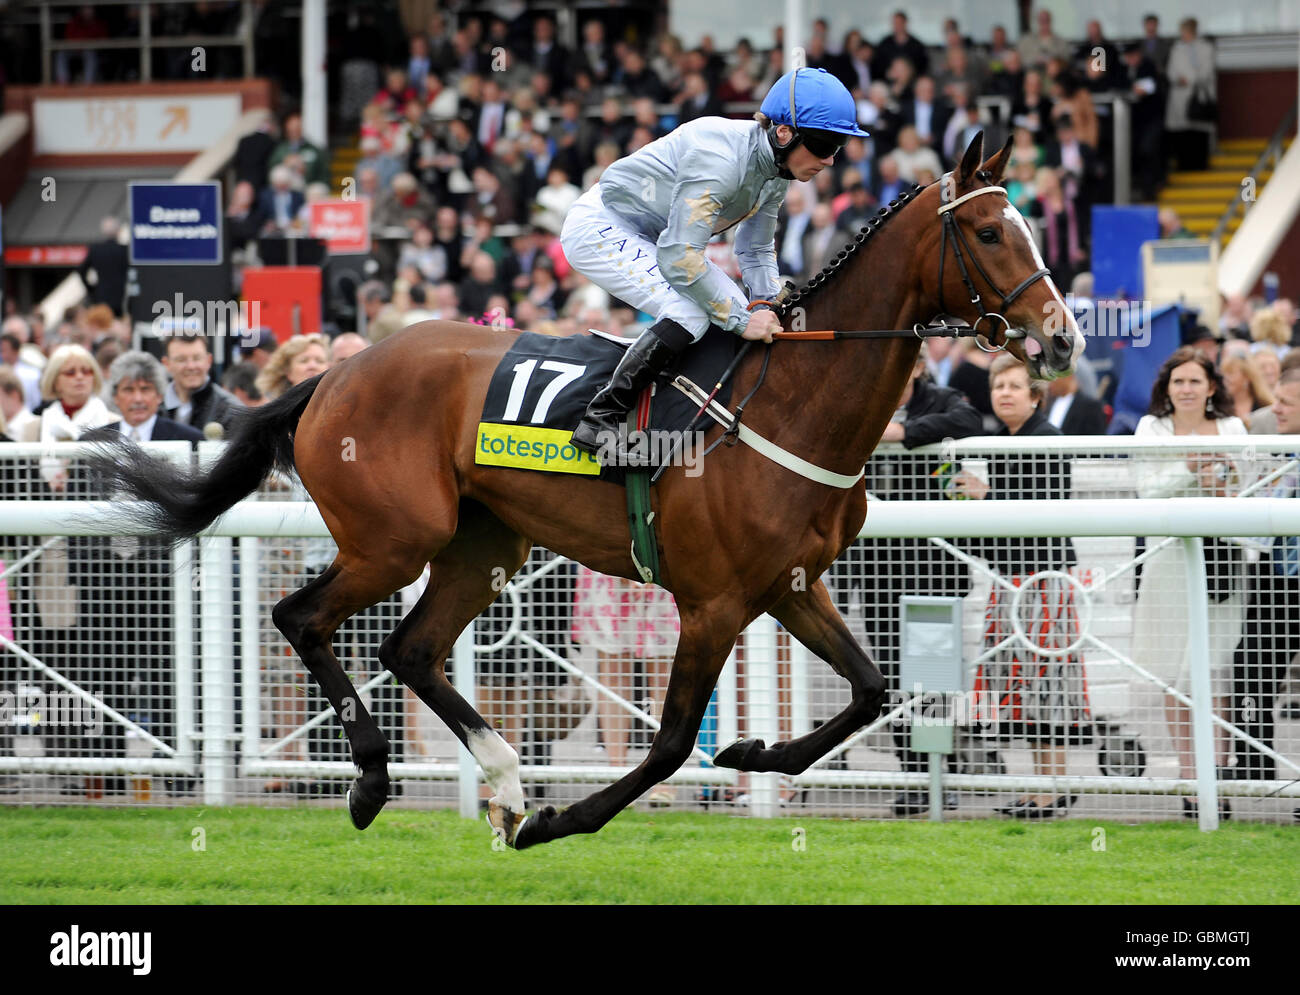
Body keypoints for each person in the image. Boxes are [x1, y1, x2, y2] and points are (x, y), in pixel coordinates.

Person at [562, 67, 867, 464]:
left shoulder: (776, 172)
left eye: (838, 147)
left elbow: (755, 250)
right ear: (784, 133)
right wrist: (743, 320)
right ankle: (599, 419)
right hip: (601, 225)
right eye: (825, 144)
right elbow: (680, 258)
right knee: (692, 310)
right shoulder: (720, 158)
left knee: (737, 310)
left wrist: (765, 304)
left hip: (658, 235)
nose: (830, 160)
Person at [823, 347, 982, 816]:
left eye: (906, 363)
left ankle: (938, 775)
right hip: (874, 568)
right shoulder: (861, 400)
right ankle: (915, 776)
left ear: (918, 367)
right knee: (889, 674)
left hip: (932, 565)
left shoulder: (945, 398)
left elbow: (970, 423)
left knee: (931, 675)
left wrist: (902, 434)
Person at [955, 355, 1090, 818]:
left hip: (1044, 581)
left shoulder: (1048, 439)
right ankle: (1040, 788)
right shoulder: (998, 441)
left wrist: (983, 497)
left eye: (1015, 386)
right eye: (999, 387)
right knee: (1023, 691)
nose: (1005, 393)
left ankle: (1051, 791)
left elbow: (1040, 509)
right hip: (1010, 580)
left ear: (1036, 395)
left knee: (1046, 688)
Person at [1131, 347, 1246, 820]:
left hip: (1222, 563)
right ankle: (1188, 776)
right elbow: (1147, 488)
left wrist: (1219, 478)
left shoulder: (1234, 430)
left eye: (1195, 381)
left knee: (1213, 671)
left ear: (1212, 386)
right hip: (1167, 563)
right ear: (1167, 387)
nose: (1186, 389)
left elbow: (1247, 486)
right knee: (1174, 676)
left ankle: (1214, 776)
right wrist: (1191, 468)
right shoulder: (1149, 429)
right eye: (1178, 381)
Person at [1229, 368, 1300, 779]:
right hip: (1276, 577)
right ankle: (1254, 766)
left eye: (1286, 402)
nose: (1276, 408)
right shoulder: (1280, 450)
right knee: (1249, 665)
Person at [161, 335, 242, 434]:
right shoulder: (154, 406)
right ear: (166, 364)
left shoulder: (231, 411)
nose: (191, 366)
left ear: (209, 361)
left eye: (197, 358)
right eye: (181, 359)